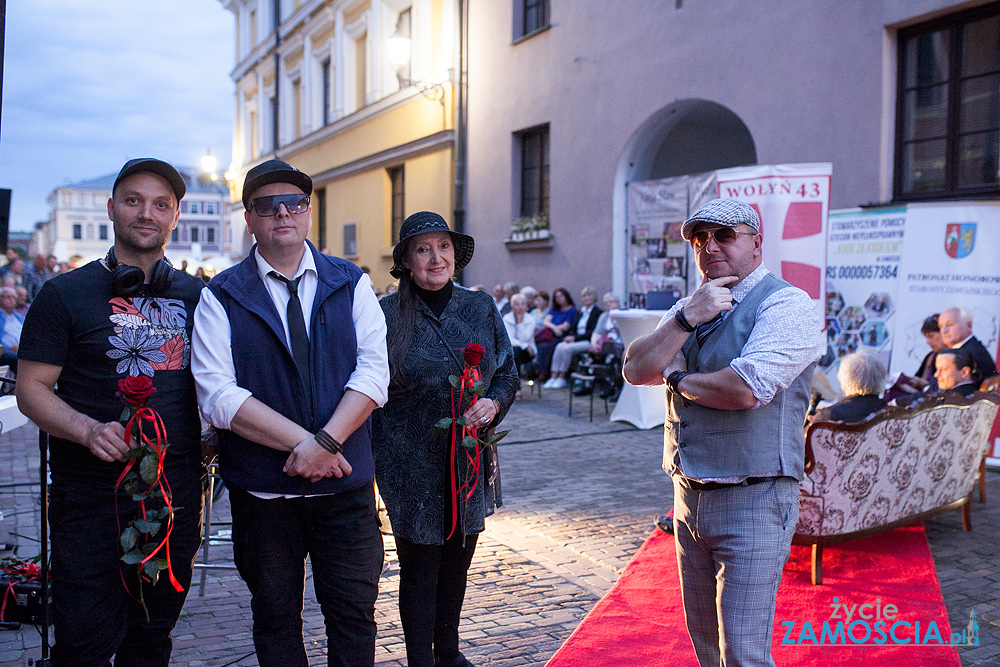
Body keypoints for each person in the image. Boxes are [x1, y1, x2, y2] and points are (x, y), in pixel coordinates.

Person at [191, 159, 389, 667]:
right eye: (266, 205)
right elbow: (219, 395)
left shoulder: (351, 284)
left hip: (343, 493)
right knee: (276, 618)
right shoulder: (221, 296)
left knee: (353, 616)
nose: (282, 213)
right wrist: (309, 446)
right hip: (264, 493)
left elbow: (372, 374)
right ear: (250, 218)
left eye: (294, 203)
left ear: (307, 213)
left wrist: (324, 445)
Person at [15, 158, 205, 667]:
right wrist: (87, 428)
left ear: (175, 218)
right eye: (134, 200)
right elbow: (31, 390)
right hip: (90, 502)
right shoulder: (64, 294)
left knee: (151, 639)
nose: (147, 213)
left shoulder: (197, 296)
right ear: (111, 209)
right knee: (83, 643)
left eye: (161, 204)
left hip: (173, 500)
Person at [623, 198, 823, 667]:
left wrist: (675, 378)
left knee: (744, 651)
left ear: (756, 241)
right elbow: (635, 367)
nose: (710, 246)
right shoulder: (689, 306)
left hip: (755, 494)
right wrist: (682, 320)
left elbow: (744, 389)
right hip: (689, 494)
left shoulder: (787, 303)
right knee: (705, 644)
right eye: (699, 238)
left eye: (724, 235)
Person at [373, 211, 518, 667]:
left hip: (468, 462)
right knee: (420, 567)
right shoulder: (386, 314)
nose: (436, 258)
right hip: (407, 461)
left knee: (458, 561)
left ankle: (449, 654)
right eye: (423, 249)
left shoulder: (479, 308)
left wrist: (493, 405)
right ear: (406, 261)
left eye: (444, 247)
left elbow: (508, 375)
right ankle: (421, 659)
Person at [544, 286, 602, 389]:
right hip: (575, 338)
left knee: (566, 349)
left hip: (587, 341)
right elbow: (573, 327)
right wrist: (571, 337)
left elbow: (592, 332)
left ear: (594, 297)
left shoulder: (597, 313)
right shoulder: (580, 312)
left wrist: (575, 339)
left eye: (589, 295)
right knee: (559, 347)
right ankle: (553, 376)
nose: (586, 298)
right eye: (584, 296)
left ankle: (562, 376)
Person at [812, 351, 887, 422]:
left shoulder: (829, 416)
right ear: (881, 377)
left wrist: (818, 419)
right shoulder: (890, 412)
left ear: (843, 379)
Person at [937, 307, 998, 388]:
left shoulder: (972, 354)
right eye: (941, 326)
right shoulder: (964, 349)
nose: (944, 330)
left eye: (949, 324)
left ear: (968, 325)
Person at [535, 287, 577, 379]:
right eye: (557, 297)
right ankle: (540, 371)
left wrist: (554, 327)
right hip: (551, 335)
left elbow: (566, 326)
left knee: (545, 347)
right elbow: (545, 322)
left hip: (562, 336)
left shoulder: (571, 310)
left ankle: (544, 373)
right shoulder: (553, 309)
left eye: (561, 296)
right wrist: (555, 328)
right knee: (541, 345)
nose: (559, 298)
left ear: (566, 296)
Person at [503, 292, 537, 373]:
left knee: (516, 352)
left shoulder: (530, 319)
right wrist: (525, 345)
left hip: (529, 351)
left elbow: (525, 338)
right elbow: (509, 340)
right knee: (514, 352)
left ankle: (516, 381)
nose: (520, 307)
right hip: (513, 349)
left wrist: (520, 323)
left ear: (526, 306)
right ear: (512, 307)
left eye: (523, 304)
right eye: (517, 304)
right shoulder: (507, 319)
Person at [915, 314, 945, 384]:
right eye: (926, 338)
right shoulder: (930, 357)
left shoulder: (956, 357)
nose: (928, 342)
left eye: (931, 336)